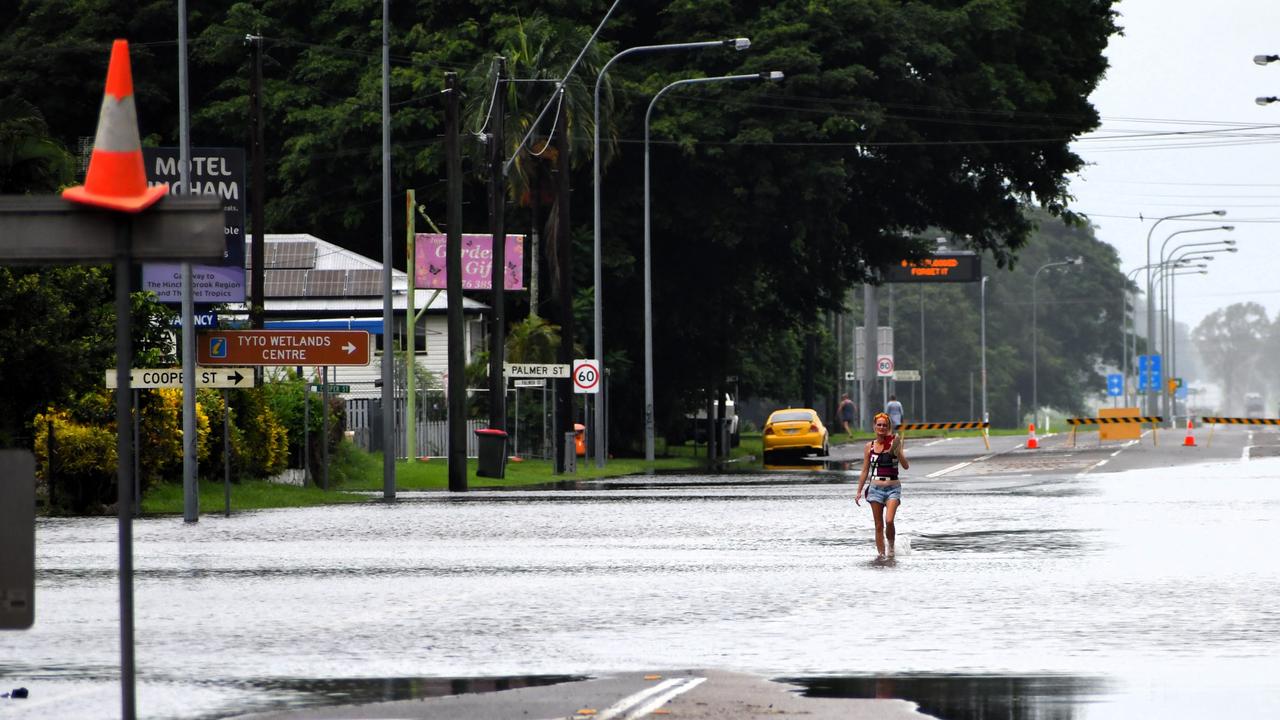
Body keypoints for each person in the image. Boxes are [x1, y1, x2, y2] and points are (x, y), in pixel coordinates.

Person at [855, 412, 909, 561]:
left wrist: (897, 452)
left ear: (888, 427)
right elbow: (865, 470)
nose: (881, 427)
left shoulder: (894, 442)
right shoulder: (869, 446)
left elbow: (906, 466)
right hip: (875, 489)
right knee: (879, 525)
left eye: (884, 425)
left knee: (889, 520)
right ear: (874, 427)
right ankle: (881, 556)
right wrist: (859, 491)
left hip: (893, 487)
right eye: (879, 424)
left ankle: (891, 547)